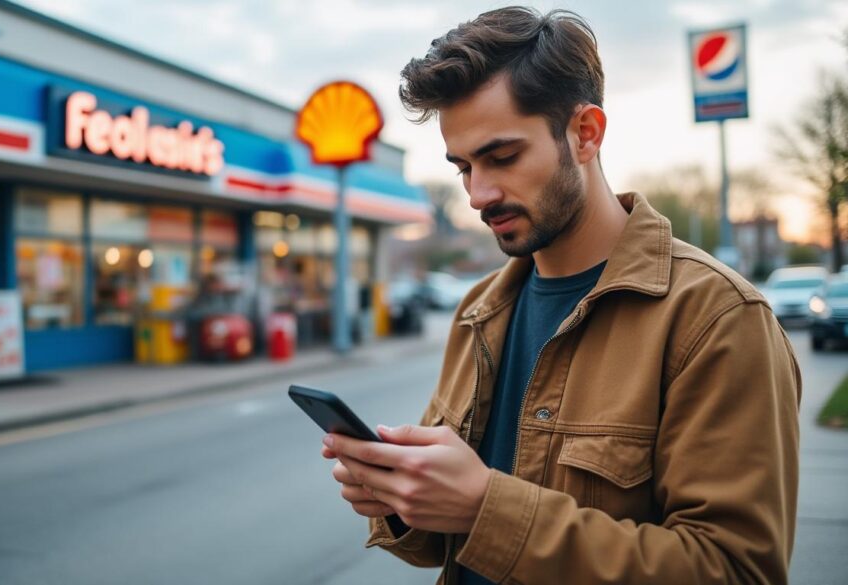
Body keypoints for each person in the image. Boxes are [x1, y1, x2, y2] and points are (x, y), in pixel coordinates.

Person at [320, 7, 801, 585]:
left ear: (585, 133)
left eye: (502, 157)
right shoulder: (478, 310)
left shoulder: (716, 319)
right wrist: (404, 498)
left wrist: (484, 508)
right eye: (463, 168)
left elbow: (735, 570)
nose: (478, 194)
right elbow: (448, 542)